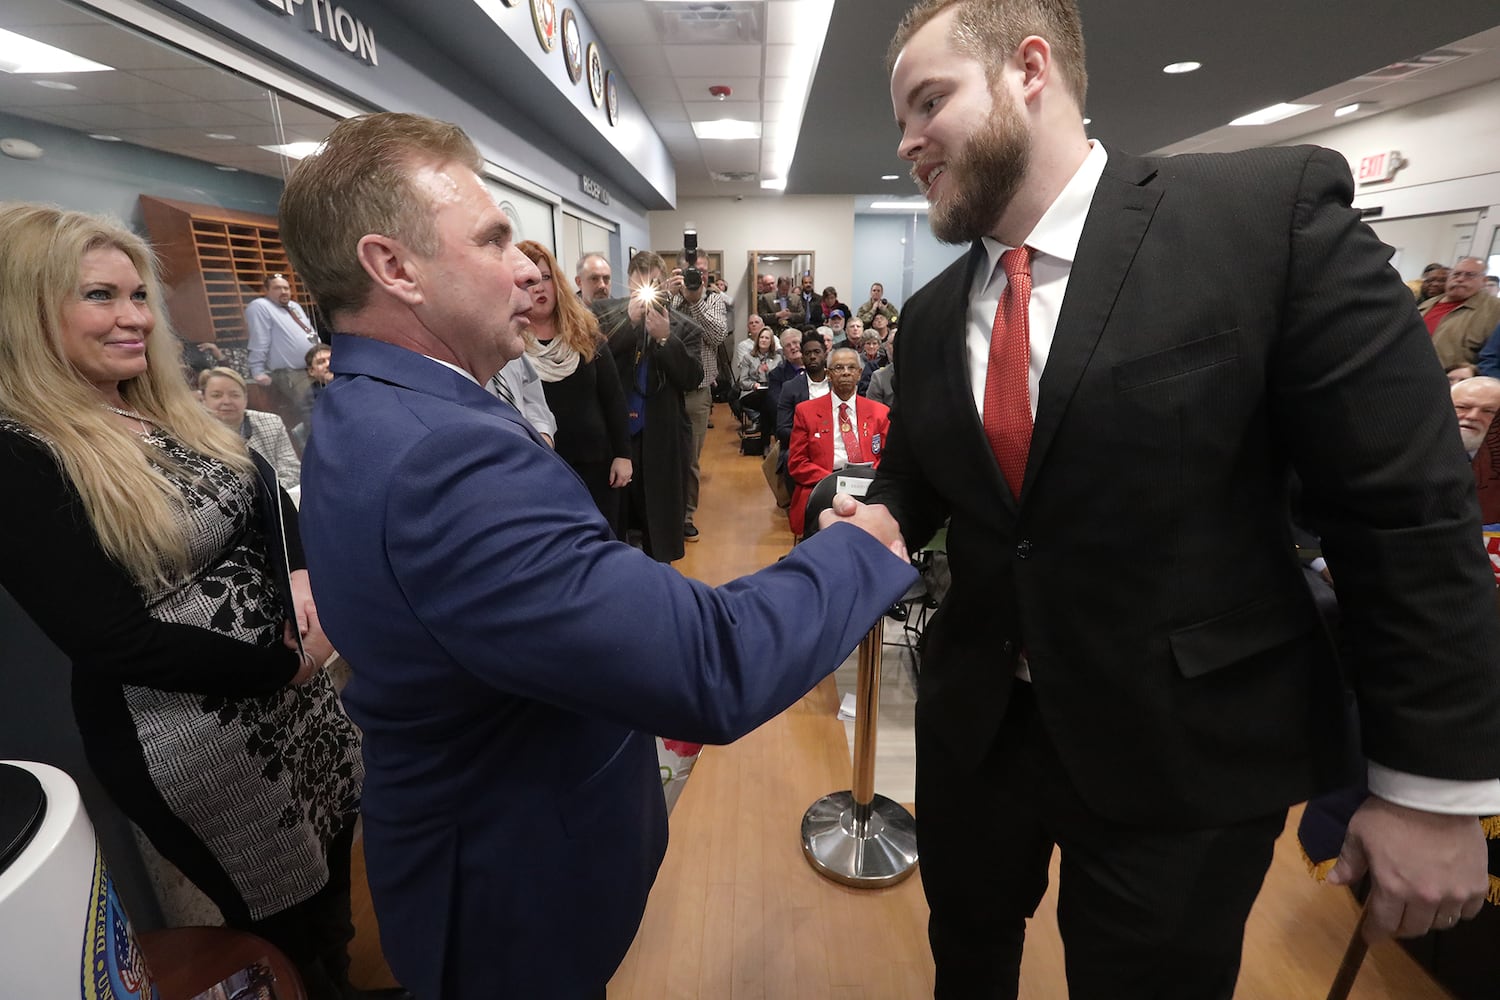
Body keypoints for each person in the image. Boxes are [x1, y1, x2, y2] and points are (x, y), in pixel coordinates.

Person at [834, 3, 1500, 998]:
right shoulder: (931, 320)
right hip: (980, 731)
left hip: (1181, 750)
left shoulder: (1259, 220)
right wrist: (875, 522)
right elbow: (920, 486)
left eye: (931, 102)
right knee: (965, 957)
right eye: (902, 118)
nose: (907, 142)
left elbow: (1398, 507)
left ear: (1029, 69)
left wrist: (1432, 789)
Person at [278, 112, 914, 1000]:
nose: (521, 270)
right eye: (494, 238)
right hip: (514, 894)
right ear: (395, 268)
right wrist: (861, 545)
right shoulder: (441, 457)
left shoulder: (367, 403)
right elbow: (709, 661)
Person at [0, 203, 366, 1000]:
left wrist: (303, 578)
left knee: (332, 901)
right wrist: (285, 664)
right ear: (25, 309)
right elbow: (113, 641)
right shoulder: (21, 454)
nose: (134, 318)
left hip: (297, 707)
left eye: (139, 296)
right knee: (279, 930)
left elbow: (265, 497)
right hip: (200, 743)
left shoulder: (152, 405)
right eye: (101, 296)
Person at [516, 239, 631, 537]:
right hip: (543, 469)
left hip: (598, 464)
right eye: (529, 281)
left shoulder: (584, 332)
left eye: (545, 278)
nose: (539, 288)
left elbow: (613, 398)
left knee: (604, 542)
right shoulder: (509, 345)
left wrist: (623, 454)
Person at [594, 251, 704, 562]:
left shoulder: (683, 325)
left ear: (665, 284)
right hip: (616, 438)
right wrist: (629, 323)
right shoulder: (605, 315)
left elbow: (692, 377)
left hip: (661, 438)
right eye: (640, 283)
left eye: (654, 283)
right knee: (616, 520)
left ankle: (660, 578)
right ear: (629, 283)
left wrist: (666, 339)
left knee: (659, 520)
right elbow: (593, 359)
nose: (648, 290)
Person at [786, 347, 892, 538]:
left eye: (851, 367)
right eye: (838, 368)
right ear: (828, 374)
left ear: (859, 374)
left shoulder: (879, 412)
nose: (845, 372)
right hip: (824, 485)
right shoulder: (806, 411)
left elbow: (888, 458)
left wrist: (868, 478)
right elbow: (797, 464)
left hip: (869, 485)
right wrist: (833, 482)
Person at [200, 366, 302, 492]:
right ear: (203, 400)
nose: (226, 401)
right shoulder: (193, 433)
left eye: (234, 395)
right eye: (216, 395)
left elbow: (292, 471)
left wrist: (263, 498)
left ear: (245, 399)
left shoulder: (271, 423)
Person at [245, 272, 320, 417]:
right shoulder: (260, 306)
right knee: (311, 412)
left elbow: (309, 331)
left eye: (286, 288)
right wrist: (257, 370)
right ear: (266, 291)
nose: (284, 291)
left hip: (315, 367)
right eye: (277, 288)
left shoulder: (294, 306)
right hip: (292, 374)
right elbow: (259, 339)